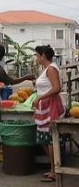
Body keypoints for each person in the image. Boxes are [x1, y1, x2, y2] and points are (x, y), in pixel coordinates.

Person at [32, 45, 65, 182]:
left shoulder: (51, 68)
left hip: (50, 106)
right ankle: (53, 168)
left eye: (37, 55)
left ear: (43, 56)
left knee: (50, 139)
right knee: (45, 139)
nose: (36, 58)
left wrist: (40, 97)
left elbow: (57, 88)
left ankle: (54, 170)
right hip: (45, 106)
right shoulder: (47, 68)